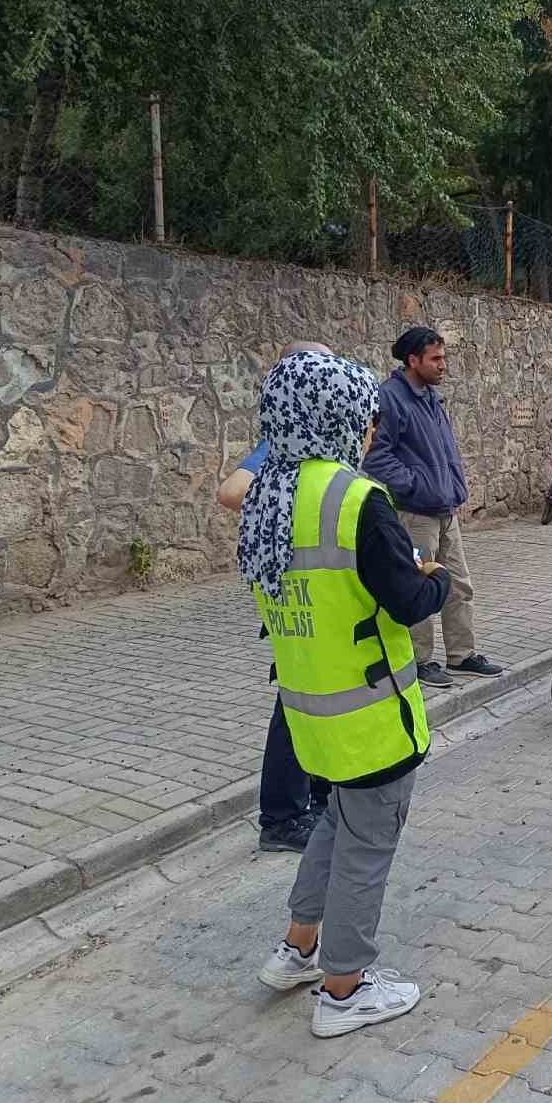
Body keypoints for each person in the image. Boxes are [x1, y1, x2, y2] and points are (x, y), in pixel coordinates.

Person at [242, 349, 452, 1038]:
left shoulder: (268, 494)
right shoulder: (356, 499)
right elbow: (408, 601)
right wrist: (436, 575)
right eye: (362, 415)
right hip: (369, 713)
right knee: (367, 844)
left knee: (336, 824)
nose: (369, 427)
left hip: (310, 712)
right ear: (333, 415)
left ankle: (298, 950)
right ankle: (344, 988)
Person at [218, 341, 335, 853]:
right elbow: (231, 491)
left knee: (322, 699)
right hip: (301, 594)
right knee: (296, 702)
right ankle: (283, 818)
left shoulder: (327, 433)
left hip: (330, 592)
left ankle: (318, 796)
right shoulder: (285, 442)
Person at [363, 327, 501, 689]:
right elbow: (377, 458)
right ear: (413, 360)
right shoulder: (391, 398)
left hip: (445, 509)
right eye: (435, 359)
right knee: (418, 584)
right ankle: (419, 660)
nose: (444, 365)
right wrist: (417, 486)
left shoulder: (431, 397)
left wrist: (452, 488)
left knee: (459, 585)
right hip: (414, 513)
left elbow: (443, 452)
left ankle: (462, 655)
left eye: (443, 357)